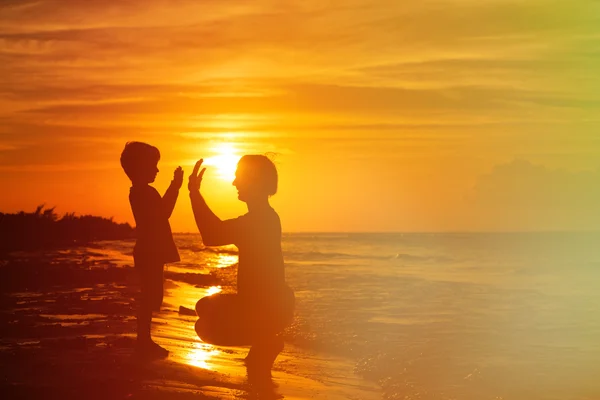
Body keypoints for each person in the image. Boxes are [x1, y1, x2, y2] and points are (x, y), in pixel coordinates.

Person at [188, 155, 295, 375]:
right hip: (272, 306)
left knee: (203, 325)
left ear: (254, 181)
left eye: (239, 177)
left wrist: (194, 194)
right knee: (204, 308)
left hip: (267, 310)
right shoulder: (265, 217)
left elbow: (211, 234)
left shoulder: (258, 221)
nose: (234, 183)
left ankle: (264, 340)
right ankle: (263, 340)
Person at [120, 141, 183, 359]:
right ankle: (143, 341)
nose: (157, 170)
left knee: (151, 296)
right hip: (150, 251)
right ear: (139, 167)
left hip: (149, 250)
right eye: (153, 165)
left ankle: (144, 339)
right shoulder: (143, 192)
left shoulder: (140, 192)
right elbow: (164, 212)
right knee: (149, 297)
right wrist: (175, 186)